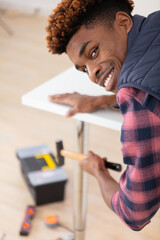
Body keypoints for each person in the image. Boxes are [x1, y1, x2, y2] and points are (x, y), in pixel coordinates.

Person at [46, 0, 160, 231]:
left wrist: (98, 171)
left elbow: (134, 212)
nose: (92, 74)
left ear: (123, 22)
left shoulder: (136, 96)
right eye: (83, 68)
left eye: (93, 52)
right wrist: (104, 100)